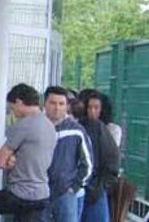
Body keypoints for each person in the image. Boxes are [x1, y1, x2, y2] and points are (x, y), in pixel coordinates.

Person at [0, 84, 55, 222]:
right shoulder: (49, 125)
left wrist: (12, 162)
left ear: (19, 102)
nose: (12, 112)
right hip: (42, 193)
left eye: (11, 107)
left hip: (20, 193)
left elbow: (0, 162)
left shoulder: (24, 124)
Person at [43, 86, 93, 222]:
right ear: (44, 103)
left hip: (65, 194)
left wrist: (75, 187)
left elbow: (88, 163)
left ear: (67, 106)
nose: (57, 108)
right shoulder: (36, 127)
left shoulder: (76, 131)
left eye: (61, 104)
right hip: (39, 192)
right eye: (53, 103)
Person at [76, 90, 119, 222]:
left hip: (96, 188)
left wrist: (100, 186)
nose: (92, 111)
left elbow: (111, 160)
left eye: (96, 107)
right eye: (89, 107)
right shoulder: (79, 127)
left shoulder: (104, 130)